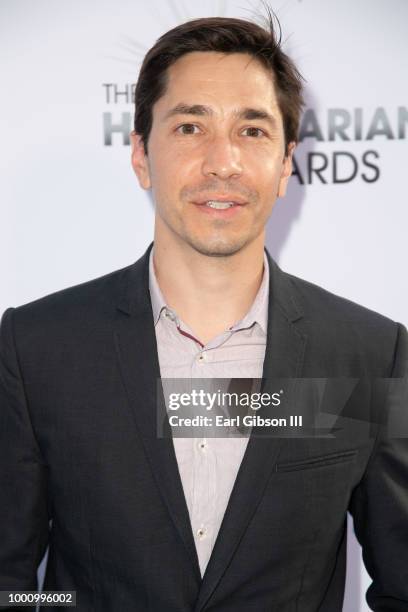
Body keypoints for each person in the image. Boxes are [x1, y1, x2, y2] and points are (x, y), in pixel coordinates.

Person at [0, 15, 407, 612]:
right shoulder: (38, 349)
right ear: (141, 154)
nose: (223, 162)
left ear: (287, 162)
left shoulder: (369, 355)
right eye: (190, 127)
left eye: (252, 131)